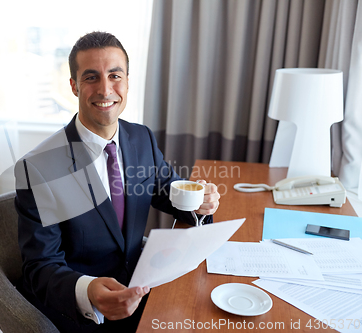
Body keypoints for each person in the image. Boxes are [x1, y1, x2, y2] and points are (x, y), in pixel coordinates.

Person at [15, 31, 220, 333]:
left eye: (114, 75)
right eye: (91, 78)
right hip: (85, 314)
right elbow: (39, 268)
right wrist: (87, 291)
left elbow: (170, 192)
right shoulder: (40, 167)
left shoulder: (141, 138)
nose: (105, 89)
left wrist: (200, 202)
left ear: (127, 82)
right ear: (73, 86)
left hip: (144, 286)